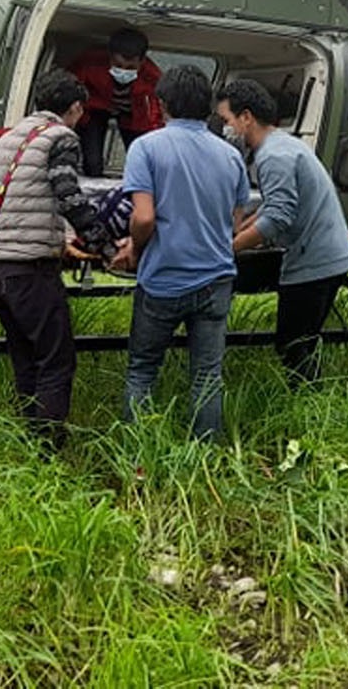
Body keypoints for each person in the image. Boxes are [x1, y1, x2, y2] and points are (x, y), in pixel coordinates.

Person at [110, 64, 251, 441]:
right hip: (217, 279)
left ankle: (137, 458)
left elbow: (143, 218)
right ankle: (204, 456)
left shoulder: (146, 148)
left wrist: (134, 248)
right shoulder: (230, 156)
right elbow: (235, 225)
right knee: (207, 374)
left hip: (163, 279)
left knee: (142, 371)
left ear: (162, 104)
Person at [0, 69, 101, 452]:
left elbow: (19, 199)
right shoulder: (61, 137)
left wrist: (61, 238)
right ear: (76, 108)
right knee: (56, 361)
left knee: (25, 358)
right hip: (30, 271)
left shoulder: (8, 138)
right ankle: (48, 450)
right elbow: (67, 194)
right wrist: (102, 239)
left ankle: (28, 437)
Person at [218, 78, 348, 387]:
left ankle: (309, 411)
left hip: (315, 261)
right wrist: (245, 225)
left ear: (246, 117)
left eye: (226, 120)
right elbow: (273, 205)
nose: (225, 129)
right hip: (327, 255)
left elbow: (278, 218)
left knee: (293, 346)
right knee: (304, 342)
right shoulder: (284, 144)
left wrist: (230, 249)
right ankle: (312, 403)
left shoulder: (273, 157)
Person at [67, 27, 165, 175]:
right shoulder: (89, 63)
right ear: (110, 57)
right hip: (94, 108)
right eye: (118, 65)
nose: (124, 71)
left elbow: (155, 115)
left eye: (131, 67)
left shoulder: (153, 78)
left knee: (140, 160)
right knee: (92, 161)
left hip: (133, 114)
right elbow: (70, 91)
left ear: (142, 62)